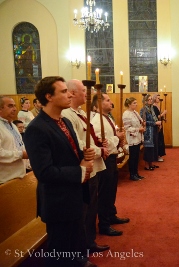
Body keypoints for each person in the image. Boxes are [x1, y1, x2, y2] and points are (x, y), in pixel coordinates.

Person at [23, 76, 96, 267]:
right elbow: (44, 172)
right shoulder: (36, 128)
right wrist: (80, 171)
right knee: (59, 251)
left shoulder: (64, 121)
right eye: (63, 91)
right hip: (58, 201)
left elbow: (67, 151)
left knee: (73, 243)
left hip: (73, 195)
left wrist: (83, 152)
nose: (69, 94)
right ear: (49, 96)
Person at [62, 79, 110, 254]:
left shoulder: (81, 112)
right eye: (84, 90)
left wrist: (100, 145)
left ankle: (90, 241)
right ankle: (82, 247)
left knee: (92, 208)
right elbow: (80, 143)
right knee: (84, 210)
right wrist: (100, 150)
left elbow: (90, 135)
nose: (87, 94)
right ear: (73, 93)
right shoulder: (68, 115)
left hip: (93, 166)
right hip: (84, 167)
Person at [92, 93, 130, 236]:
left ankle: (111, 214)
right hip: (105, 159)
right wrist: (117, 137)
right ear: (98, 105)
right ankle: (104, 224)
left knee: (111, 190)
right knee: (105, 192)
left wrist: (118, 140)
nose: (111, 102)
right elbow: (103, 143)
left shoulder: (106, 118)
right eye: (107, 100)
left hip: (112, 158)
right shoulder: (97, 122)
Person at [0, 96, 28, 184]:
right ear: (0, 109)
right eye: (10, 106)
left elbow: (20, 145)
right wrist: (21, 154)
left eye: (15, 106)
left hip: (20, 174)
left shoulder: (13, 126)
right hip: (5, 179)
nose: (15, 109)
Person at [123, 97, 145, 181]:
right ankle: (132, 174)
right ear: (129, 104)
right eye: (134, 103)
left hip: (138, 137)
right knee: (132, 157)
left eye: (136, 103)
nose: (136, 104)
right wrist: (138, 129)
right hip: (132, 137)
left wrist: (143, 123)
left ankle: (136, 173)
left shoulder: (135, 112)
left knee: (136, 156)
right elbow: (127, 128)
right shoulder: (126, 114)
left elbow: (140, 121)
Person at [140, 94, 161, 170]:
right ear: (145, 101)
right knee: (148, 148)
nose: (150, 101)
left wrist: (158, 123)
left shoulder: (151, 109)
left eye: (151, 99)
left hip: (154, 130)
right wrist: (155, 123)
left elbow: (154, 119)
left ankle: (151, 163)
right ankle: (146, 165)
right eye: (149, 99)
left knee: (153, 147)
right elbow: (144, 122)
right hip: (148, 131)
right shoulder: (143, 110)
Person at [152, 93, 167, 162]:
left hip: (160, 124)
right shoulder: (153, 107)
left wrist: (163, 118)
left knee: (160, 139)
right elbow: (156, 116)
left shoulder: (157, 106)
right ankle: (157, 155)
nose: (159, 99)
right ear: (154, 98)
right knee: (158, 140)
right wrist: (163, 113)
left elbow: (159, 116)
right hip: (157, 125)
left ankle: (160, 154)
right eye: (158, 98)